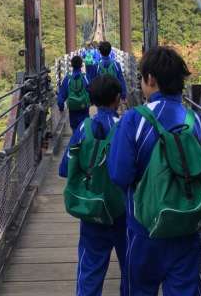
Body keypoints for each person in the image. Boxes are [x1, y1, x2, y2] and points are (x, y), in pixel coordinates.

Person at [108, 46, 201, 296]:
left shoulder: (133, 119)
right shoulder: (194, 120)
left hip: (145, 230)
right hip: (187, 227)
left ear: (150, 79)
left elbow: (119, 175)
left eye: (141, 78)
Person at [59, 75, 126, 296]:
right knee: (131, 269)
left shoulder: (83, 128)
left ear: (92, 99)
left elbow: (64, 169)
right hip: (123, 210)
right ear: (118, 98)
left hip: (92, 209)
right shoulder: (126, 127)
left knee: (90, 269)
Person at [57, 55, 90, 132]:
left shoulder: (67, 79)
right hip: (84, 108)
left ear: (71, 65)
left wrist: (61, 107)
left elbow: (61, 97)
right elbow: (91, 92)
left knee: (75, 129)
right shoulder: (85, 78)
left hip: (73, 110)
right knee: (85, 128)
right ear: (81, 65)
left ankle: (75, 138)